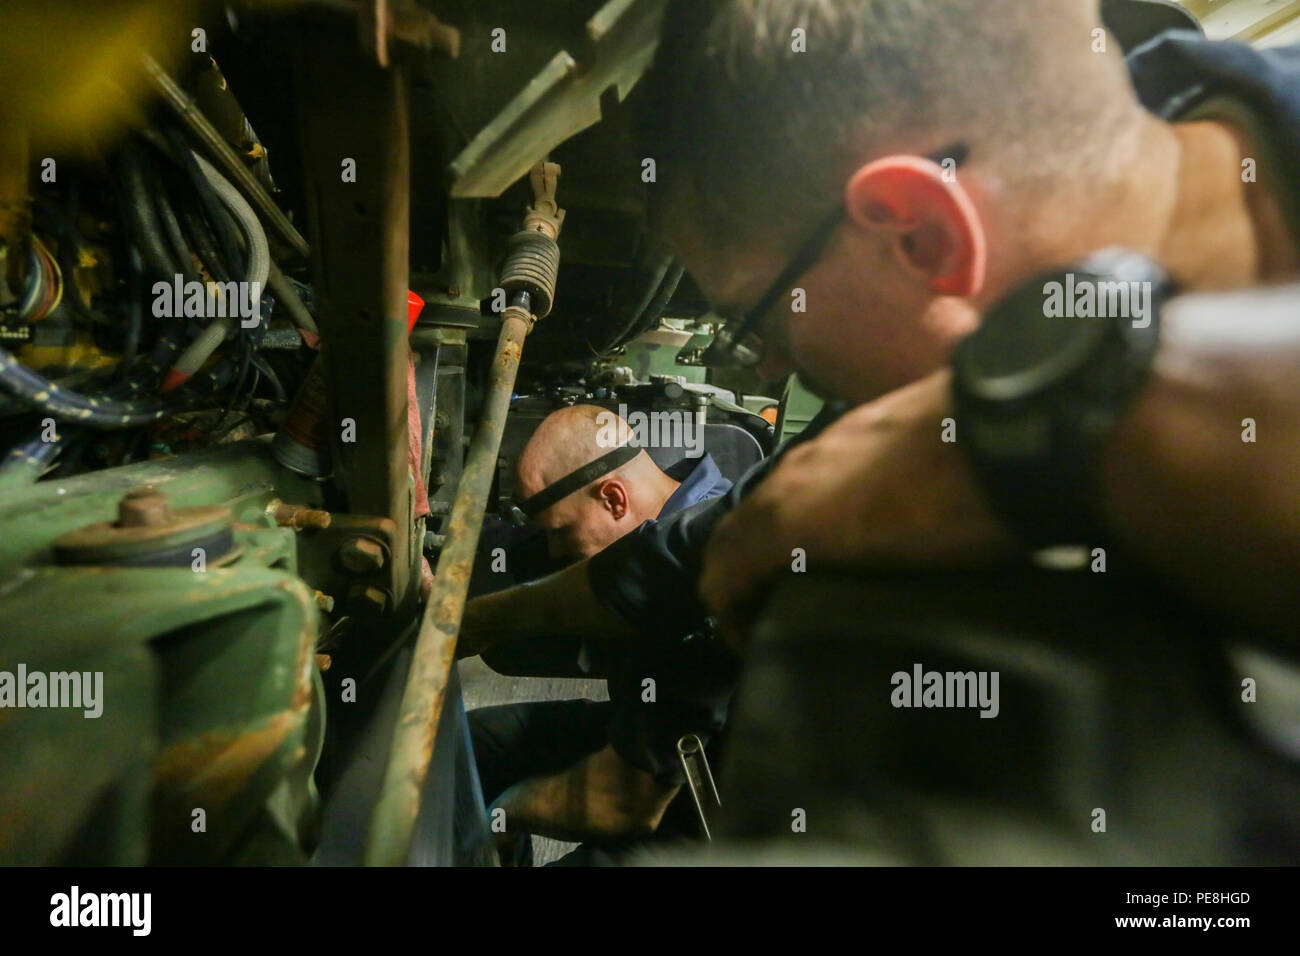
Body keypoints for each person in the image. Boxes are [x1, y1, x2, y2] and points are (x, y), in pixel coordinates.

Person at [460, 0, 1300, 668]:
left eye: (755, 321)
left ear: (917, 232)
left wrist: (1025, 436)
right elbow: (703, 549)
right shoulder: (925, 383)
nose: (778, 363)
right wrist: (481, 615)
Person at [460, 405, 734, 864]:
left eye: (560, 532)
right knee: (469, 747)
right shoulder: (672, 521)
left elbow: (625, 804)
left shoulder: (710, 579)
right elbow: (533, 556)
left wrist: (505, 813)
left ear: (613, 499)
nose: (554, 552)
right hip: (649, 732)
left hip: (705, 808)